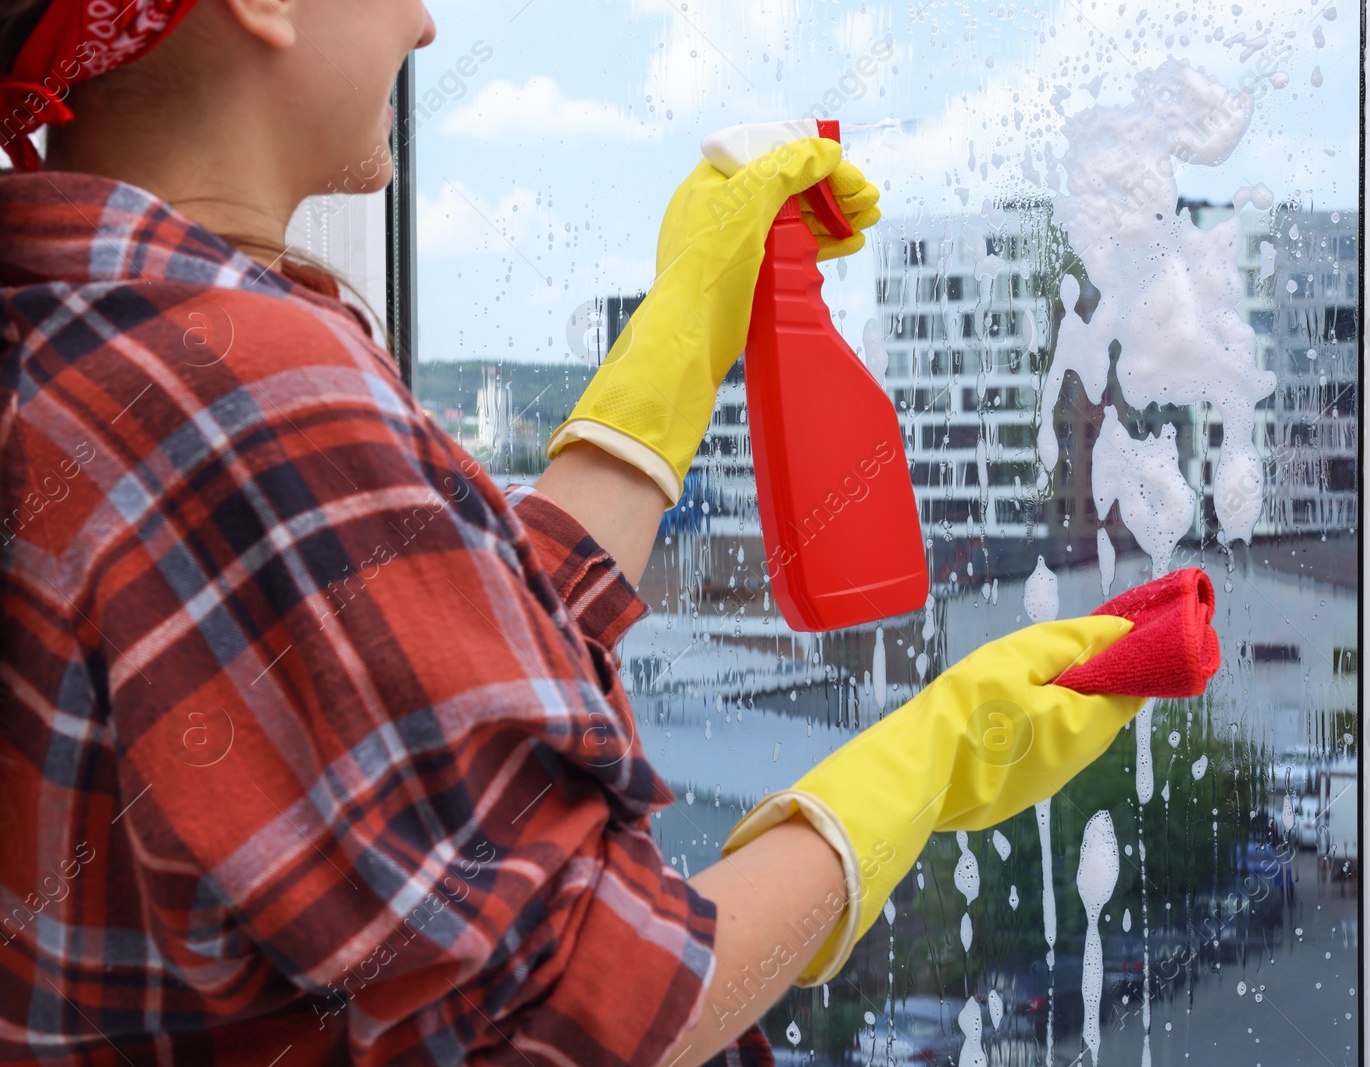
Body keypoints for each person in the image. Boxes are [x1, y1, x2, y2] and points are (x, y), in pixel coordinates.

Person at [0, 0, 1153, 1063]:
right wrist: (935, 757)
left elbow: (410, 685)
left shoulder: (80, 345)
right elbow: (586, 1004)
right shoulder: (245, 389)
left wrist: (684, 328)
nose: (424, 24)